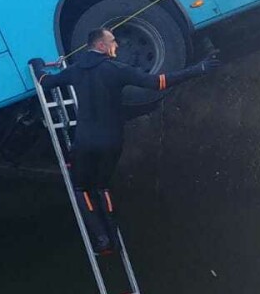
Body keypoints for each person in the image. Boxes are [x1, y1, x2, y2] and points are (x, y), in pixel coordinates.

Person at [29, 28, 219, 251]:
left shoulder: (75, 70)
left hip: (86, 142)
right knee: (101, 186)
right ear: (100, 45)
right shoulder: (117, 69)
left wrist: (37, 65)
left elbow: (45, 82)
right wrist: (199, 68)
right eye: (112, 41)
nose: (116, 45)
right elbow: (158, 82)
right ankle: (115, 238)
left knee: (81, 188)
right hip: (112, 141)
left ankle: (102, 240)